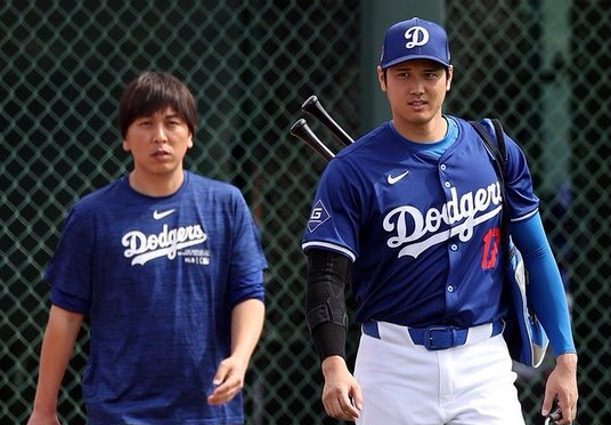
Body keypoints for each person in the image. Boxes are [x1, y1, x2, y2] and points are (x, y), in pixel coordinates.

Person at [302, 17, 577, 425]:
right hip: (392, 364)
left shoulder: (494, 149)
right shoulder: (351, 169)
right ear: (382, 79)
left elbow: (536, 252)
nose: (417, 87)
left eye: (430, 74)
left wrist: (565, 357)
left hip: (482, 361)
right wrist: (333, 363)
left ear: (449, 77)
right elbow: (326, 276)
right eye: (403, 74)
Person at [27, 71, 267, 425]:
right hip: (120, 412)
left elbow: (248, 293)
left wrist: (240, 358)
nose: (160, 136)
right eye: (145, 123)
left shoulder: (226, 205)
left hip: (208, 409)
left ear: (190, 135)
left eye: (172, 123)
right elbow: (65, 315)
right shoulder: (92, 216)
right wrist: (43, 409)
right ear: (125, 138)